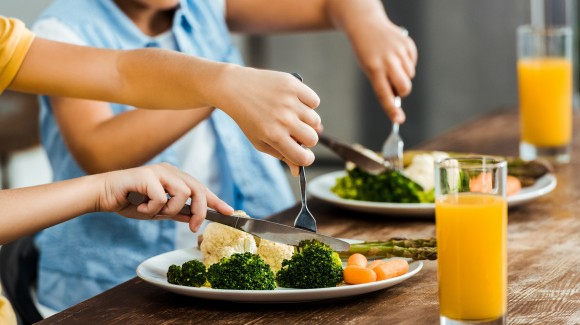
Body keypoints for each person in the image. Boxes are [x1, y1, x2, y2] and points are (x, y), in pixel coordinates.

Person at [30, 0, 417, 313]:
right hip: (116, 286)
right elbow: (99, 150)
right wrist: (222, 90)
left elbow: (331, 4)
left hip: (255, 269)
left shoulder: (206, 5)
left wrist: (367, 16)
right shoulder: (64, 28)